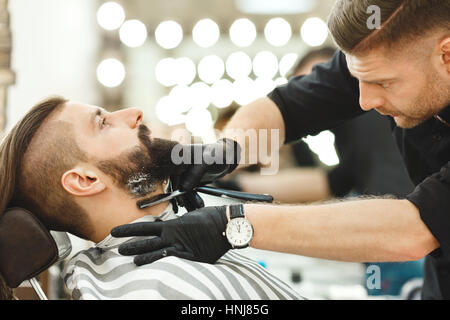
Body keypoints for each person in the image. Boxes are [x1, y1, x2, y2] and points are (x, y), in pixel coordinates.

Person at [112, 0, 450, 300]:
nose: (364, 101)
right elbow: (286, 107)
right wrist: (228, 150)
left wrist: (233, 224)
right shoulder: (378, 56)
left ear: (446, 55)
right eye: (357, 80)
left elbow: (416, 228)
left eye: (383, 83)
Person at [0, 97, 303, 300]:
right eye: (103, 123)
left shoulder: (170, 252)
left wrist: (229, 150)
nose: (134, 114)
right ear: (86, 180)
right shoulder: (152, 290)